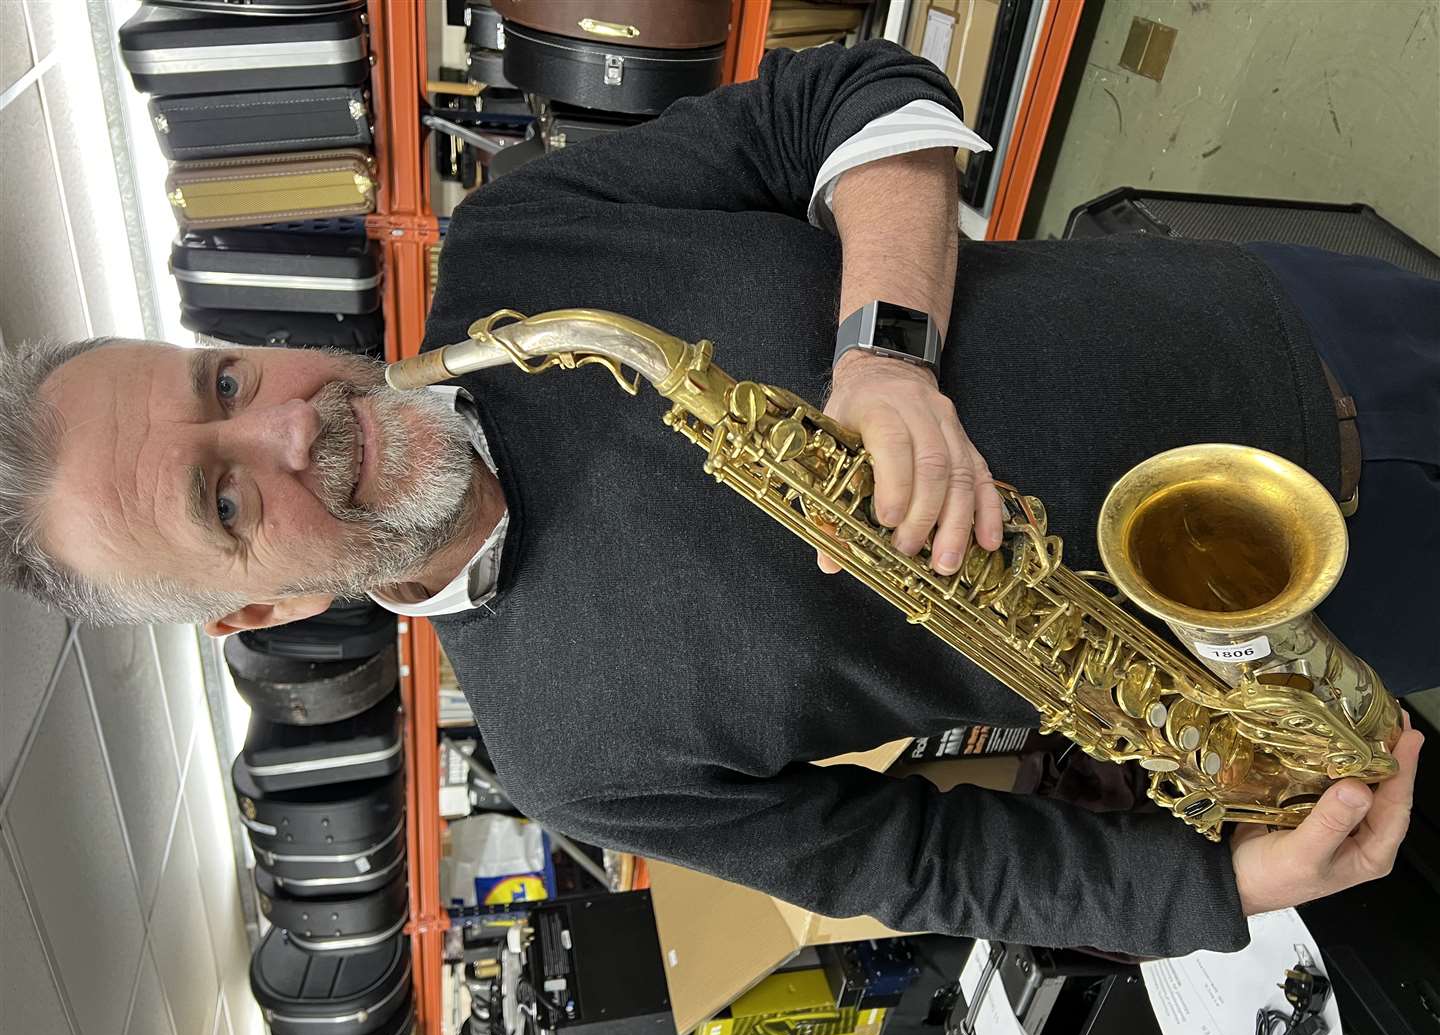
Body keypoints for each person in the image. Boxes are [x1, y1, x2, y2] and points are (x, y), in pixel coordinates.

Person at [2, 42, 1432, 957]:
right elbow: (923, 860)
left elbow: (853, 93)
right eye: (227, 501)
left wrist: (886, 355)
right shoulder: (570, 761)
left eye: (226, 380)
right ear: (265, 608)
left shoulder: (520, 235)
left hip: (1299, 325)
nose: (295, 423)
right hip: (1322, 632)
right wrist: (1224, 892)